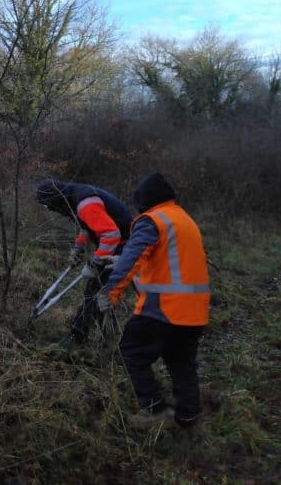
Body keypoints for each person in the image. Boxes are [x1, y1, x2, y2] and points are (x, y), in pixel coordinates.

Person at [97, 172, 210, 429]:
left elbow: (133, 256)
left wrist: (110, 293)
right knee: (181, 362)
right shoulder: (183, 219)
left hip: (163, 309)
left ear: (144, 202)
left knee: (132, 351)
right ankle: (188, 418)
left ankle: (155, 409)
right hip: (195, 312)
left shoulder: (152, 220)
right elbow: (165, 260)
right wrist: (121, 262)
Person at [36, 179, 133, 346]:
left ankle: (77, 337)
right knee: (102, 292)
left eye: (51, 206)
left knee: (94, 291)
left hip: (123, 247)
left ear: (55, 200)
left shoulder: (84, 204)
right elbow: (88, 226)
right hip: (119, 245)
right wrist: (78, 248)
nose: (53, 211)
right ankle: (108, 336)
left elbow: (111, 234)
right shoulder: (74, 198)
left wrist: (95, 263)